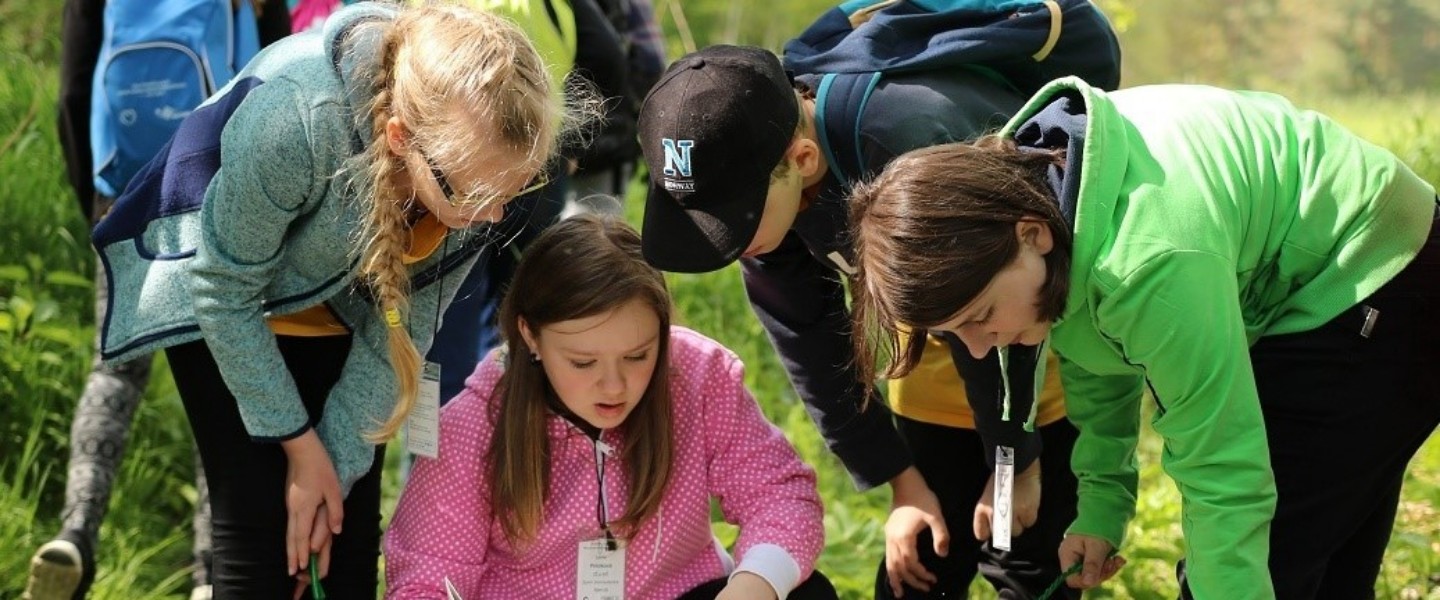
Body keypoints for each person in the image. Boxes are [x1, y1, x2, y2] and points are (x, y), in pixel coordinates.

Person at [847, 76, 1440, 598]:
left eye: (979, 317)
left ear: (1032, 236)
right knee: (1313, 554)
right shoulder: (1045, 197)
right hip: (1307, 279)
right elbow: (1094, 352)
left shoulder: (1146, 261)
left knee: (1267, 557)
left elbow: (1224, 463)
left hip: (1376, 269)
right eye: (954, 336)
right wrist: (1101, 507)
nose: (980, 347)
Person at [87, 2, 563, 596]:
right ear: (399, 139)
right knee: (259, 538)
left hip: (341, 298)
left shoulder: (469, 177)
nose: (490, 217)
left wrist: (327, 470)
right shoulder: (300, 117)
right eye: (476, 195)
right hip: (225, 294)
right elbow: (224, 289)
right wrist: (297, 446)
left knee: (344, 534)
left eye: (511, 192)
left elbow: (400, 334)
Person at [635, 41, 1100, 598]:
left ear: (802, 160)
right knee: (922, 563)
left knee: (1027, 558)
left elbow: (1003, 319)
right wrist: (902, 481)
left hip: (1031, 355)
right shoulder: (768, 192)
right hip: (932, 369)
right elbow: (809, 342)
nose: (732, 247)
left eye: (736, 222)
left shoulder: (912, 135)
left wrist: (1014, 464)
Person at [384, 215, 837, 600]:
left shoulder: (697, 377)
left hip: (679, 591)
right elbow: (427, 582)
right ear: (529, 336)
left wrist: (751, 587)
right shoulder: (473, 427)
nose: (614, 385)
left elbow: (780, 495)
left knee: (804, 592)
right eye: (583, 362)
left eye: (639, 355)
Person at [25, 1, 289, 599]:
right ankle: (210, 573)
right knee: (226, 378)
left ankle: (76, 532)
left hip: (123, 192)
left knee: (114, 371)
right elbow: (275, 70)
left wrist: (96, 200)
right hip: (218, 190)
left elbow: (72, 89)